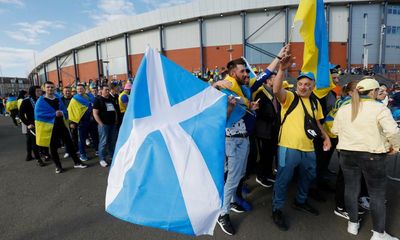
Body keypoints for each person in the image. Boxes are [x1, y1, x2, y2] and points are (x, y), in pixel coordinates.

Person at [332, 78, 400, 240]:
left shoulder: (344, 108)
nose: (379, 93)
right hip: (372, 155)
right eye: (378, 91)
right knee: (376, 194)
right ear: (372, 92)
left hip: (347, 154)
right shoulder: (379, 109)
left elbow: (335, 130)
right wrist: (395, 147)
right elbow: (393, 132)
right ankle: (378, 234)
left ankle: (352, 225)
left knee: (351, 188)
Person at [271, 48, 331, 231]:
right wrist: (282, 70)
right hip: (288, 147)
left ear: (313, 86)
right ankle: (277, 209)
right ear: (297, 85)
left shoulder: (314, 102)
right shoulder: (289, 97)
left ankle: (300, 201)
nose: (303, 87)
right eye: (301, 84)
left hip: (309, 148)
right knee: (284, 179)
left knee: (308, 176)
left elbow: (318, 123)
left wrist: (326, 137)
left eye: (307, 84)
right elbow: (276, 90)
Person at [212, 58, 259, 236]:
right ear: (232, 73)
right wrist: (216, 84)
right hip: (233, 141)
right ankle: (223, 214)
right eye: (243, 71)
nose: (246, 74)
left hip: (242, 140)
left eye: (247, 72)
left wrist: (250, 106)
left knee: (237, 175)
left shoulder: (241, 91)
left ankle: (230, 202)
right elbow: (218, 118)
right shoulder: (225, 89)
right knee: (232, 178)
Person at [35, 81, 88, 174]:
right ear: (44, 88)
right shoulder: (41, 101)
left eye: (52, 87)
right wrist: (54, 114)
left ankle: (77, 162)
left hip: (62, 124)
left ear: (54, 88)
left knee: (70, 143)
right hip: (49, 127)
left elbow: (65, 111)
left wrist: (62, 113)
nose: (50, 89)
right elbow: (38, 115)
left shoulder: (58, 98)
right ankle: (58, 166)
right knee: (53, 147)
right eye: (48, 87)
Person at [67, 83, 96, 161]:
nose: (79, 90)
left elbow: (94, 105)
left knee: (94, 136)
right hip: (81, 122)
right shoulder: (74, 99)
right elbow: (70, 111)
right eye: (78, 89)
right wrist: (72, 122)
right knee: (82, 139)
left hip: (92, 120)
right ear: (76, 90)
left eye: (81, 88)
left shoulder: (90, 96)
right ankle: (82, 154)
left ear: (84, 89)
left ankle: (97, 150)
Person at [93, 84, 118, 168]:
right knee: (103, 142)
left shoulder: (111, 99)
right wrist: (101, 124)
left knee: (112, 141)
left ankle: (112, 156)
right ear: (101, 91)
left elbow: (114, 111)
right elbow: (95, 113)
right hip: (104, 125)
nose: (107, 91)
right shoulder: (98, 100)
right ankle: (102, 159)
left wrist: (116, 119)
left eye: (108, 90)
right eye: (106, 90)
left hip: (112, 124)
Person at [19, 86, 45, 166]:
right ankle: (38, 159)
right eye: (37, 91)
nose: (39, 92)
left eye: (40, 91)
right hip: (32, 125)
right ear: (32, 91)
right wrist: (28, 124)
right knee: (34, 143)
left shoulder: (42, 99)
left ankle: (44, 154)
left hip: (42, 124)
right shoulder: (26, 101)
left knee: (42, 140)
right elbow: (21, 115)